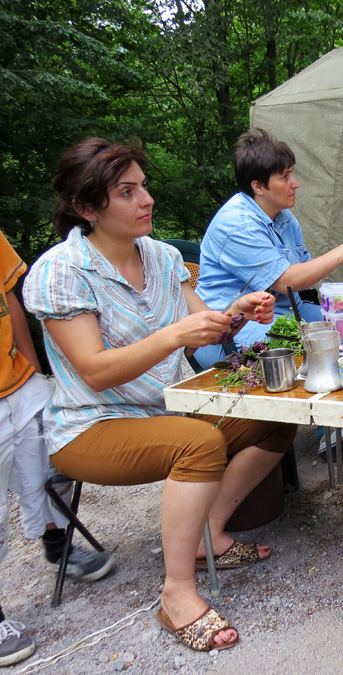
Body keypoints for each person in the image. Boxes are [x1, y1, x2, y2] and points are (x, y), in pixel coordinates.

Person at [23, 138, 298, 651]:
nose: (147, 199)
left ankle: (207, 535)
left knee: (278, 415)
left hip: (166, 408)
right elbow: (94, 372)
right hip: (91, 425)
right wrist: (173, 336)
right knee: (198, 443)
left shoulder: (162, 255)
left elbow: (204, 326)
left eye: (143, 186)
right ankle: (176, 595)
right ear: (86, 208)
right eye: (127, 192)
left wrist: (236, 313)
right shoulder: (61, 271)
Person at [194, 129, 343, 459]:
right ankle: (336, 427)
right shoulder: (237, 223)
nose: (296, 183)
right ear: (258, 186)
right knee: (319, 346)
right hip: (231, 327)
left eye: (292, 174)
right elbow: (285, 280)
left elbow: (301, 280)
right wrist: (340, 253)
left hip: (286, 311)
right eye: (285, 176)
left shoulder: (283, 217)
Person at [0, 231, 115, 666]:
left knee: (51, 469)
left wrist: (33, 371)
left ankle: (58, 544)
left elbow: (8, 298)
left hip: (18, 383)